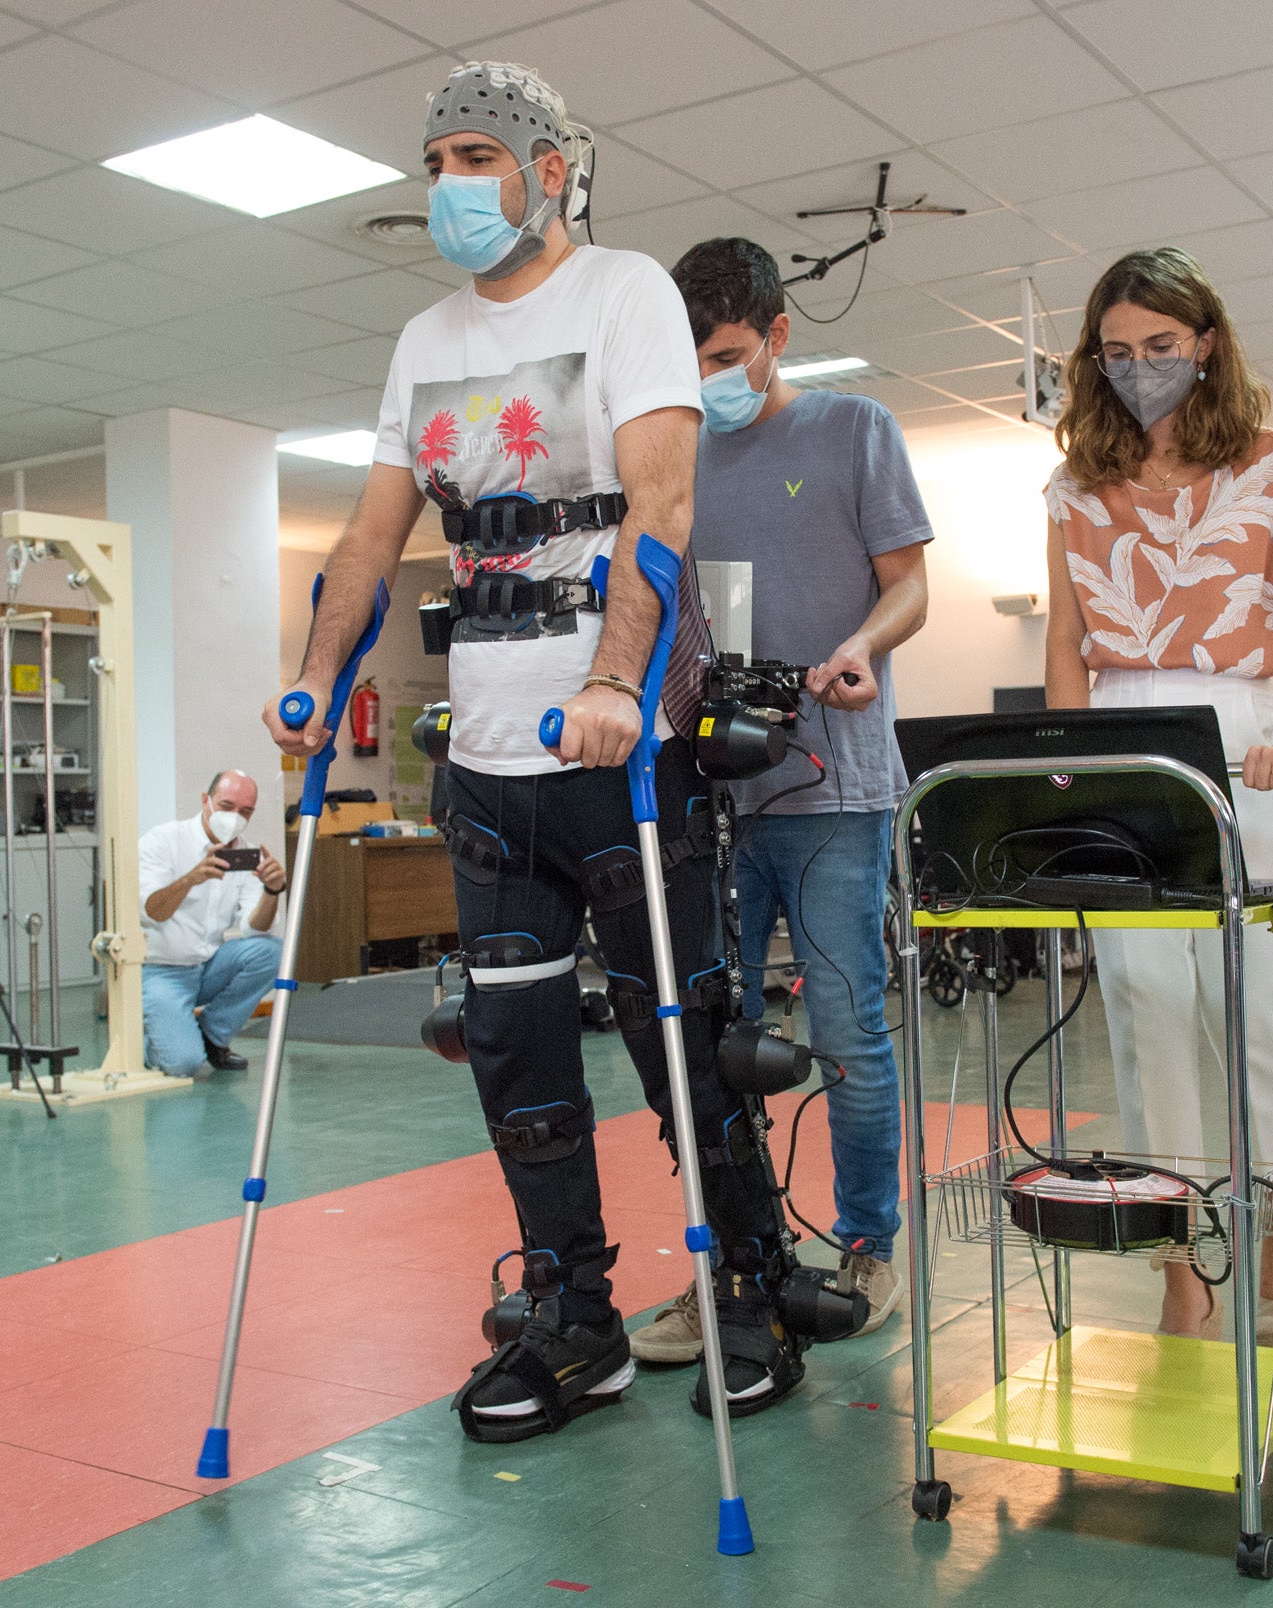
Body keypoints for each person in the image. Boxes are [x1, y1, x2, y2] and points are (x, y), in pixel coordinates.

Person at [265, 61, 804, 1441]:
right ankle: (576, 1318)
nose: (450, 183)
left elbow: (663, 502)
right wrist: (317, 678)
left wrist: (622, 675)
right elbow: (373, 535)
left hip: (620, 754)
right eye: (436, 157)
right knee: (518, 1067)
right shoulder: (420, 339)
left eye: (476, 157)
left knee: (680, 1045)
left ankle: (748, 1282)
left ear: (551, 170)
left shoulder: (625, 295)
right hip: (491, 769)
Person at [627, 237, 932, 1368]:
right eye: (691, 357)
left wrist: (858, 645)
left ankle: (867, 1246)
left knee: (847, 1030)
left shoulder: (855, 432)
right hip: (711, 796)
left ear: (777, 337)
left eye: (728, 354)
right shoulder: (671, 458)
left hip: (836, 790)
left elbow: (910, 586)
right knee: (703, 1044)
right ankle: (736, 1266)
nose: (710, 376)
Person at [1040, 247, 1273, 1348]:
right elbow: (1066, 642)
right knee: (1144, 1016)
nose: (1139, 369)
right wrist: (1065, 774)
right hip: (1121, 746)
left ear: (1205, 343)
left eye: (1160, 348)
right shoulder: (1076, 484)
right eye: (1116, 353)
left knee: (1254, 1011)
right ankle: (1177, 1264)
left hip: (1246, 735)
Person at [137, 769, 286, 1077]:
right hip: (162, 970)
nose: (234, 817)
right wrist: (192, 878)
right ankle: (156, 1036)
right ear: (205, 801)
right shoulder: (164, 840)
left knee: (273, 951)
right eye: (226, 806)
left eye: (245, 811)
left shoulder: (247, 853)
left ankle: (212, 1035)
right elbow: (152, 912)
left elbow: (254, 928)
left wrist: (272, 890)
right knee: (183, 1064)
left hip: (207, 965)